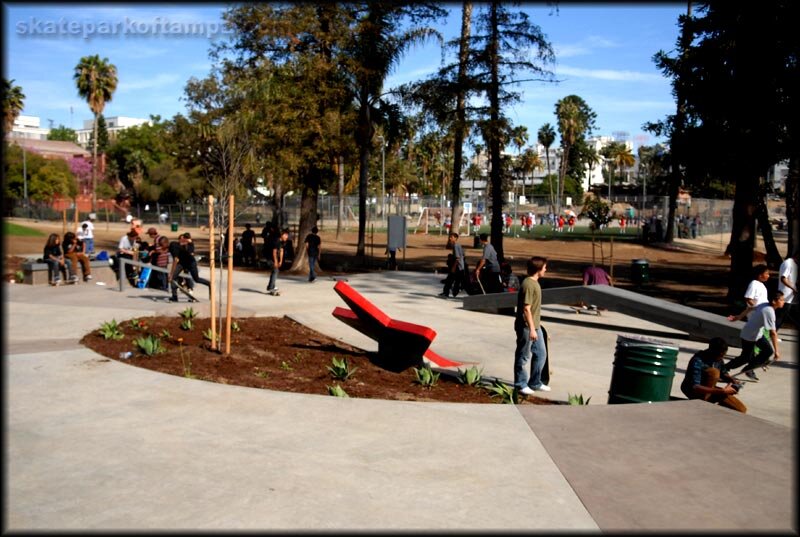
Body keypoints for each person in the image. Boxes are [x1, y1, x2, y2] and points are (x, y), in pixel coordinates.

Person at [724, 291, 785, 381]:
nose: (783, 301)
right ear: (774, 301)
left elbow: (750, 308)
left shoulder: (764, 304)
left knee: (767, 351)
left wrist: (739, 317)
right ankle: (724, 368)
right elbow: (773, 333)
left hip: (757, 334)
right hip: (749, 335)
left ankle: (749, 369)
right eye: (782, 300)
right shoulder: (769, 311)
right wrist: (777, 351)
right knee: (745, 357)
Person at [680, 338, 746, 413]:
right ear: (712, 351)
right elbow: (695, 387)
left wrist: (731, 380)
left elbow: (723, 373)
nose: (722, 358)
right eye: (721, 355)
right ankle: (704, 402)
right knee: (714, 372)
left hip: (712, 390)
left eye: (724, 355)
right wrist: (723, 391)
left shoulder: (718, 357)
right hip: (692, 391)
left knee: (741, 409)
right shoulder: (698, 360)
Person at [514, 256, 550, 394]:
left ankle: (535, 382)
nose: (546, 269)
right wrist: (531, 330)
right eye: (545, 267)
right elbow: (526, 308)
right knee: (523, 356)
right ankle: (520, 384)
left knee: (541, 353)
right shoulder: (528, 285)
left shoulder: (535, 283)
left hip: (535, 326)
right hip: (526, 327)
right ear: (538, 269)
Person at [168, 233, 211, 301]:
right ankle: (174, 296)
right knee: (173, 278)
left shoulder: (175, 248)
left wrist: (171, 274)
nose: (183, 242)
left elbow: (175, 260)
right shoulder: (174, 245)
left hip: (191, 263)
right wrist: (172, 275)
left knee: (196, 279)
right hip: (182, 263)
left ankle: (209, 284)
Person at [776, 252, 798, 330]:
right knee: (780, 317)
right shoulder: (788, 263)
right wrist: (794, 289)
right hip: (784, 296)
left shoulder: (794, 264)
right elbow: (783, 278)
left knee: (783, 317)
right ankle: (771, 335)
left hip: (790, 297)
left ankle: (774, 334)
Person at [440, 232, 466, 298]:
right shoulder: (458, 245)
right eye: (450, 237)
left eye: (451, 237)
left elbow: (457, 258)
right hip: (460, 266)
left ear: (455, 238)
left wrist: (454, 267)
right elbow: (463, 255)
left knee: (449, 279)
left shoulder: (455, 246)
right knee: (456, 280)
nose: (450, 238)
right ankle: (455, 291)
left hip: (457, 266)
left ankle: (446, 292)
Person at [266, 228, 289, 295]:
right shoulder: (276, 241)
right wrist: (276, 262)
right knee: (275, 270)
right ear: (282, 235)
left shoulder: (282, 242)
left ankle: (271, 286)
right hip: (269, 257)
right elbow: (274, 252)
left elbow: (281, 251)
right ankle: (271, 287)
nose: (287, 237)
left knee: (275, 271)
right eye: (285, 235)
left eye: (287, 235)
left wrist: (281, 261)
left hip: (274, 258)